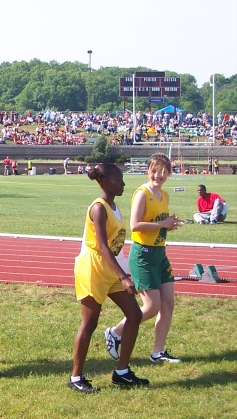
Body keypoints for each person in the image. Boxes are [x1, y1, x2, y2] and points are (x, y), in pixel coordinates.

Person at [69, 163, 147, 393]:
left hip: (111, 269)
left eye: (122, 180)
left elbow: (115, 247)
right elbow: (103, 247)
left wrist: (124, 272)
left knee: (135, 314)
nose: (123, 183)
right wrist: (123, 276)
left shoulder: (114, 206)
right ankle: (75, 378)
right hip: (93, 268)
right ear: (103, 182)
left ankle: (121, 372)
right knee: (90, 323)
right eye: (118, 180)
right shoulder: (98, 207)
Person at [106, 154, 182, 365]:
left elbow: (159, 223)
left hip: (160, 254)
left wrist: (170, 224)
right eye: (155, 170)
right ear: (148, 170)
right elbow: (135, 225)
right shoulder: (142, 193)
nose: (159, 175)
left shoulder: (164, 195)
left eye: (164, 171)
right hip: (143, 255)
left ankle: (158, 352)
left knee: (168, 304)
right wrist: (162, 224)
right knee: (151, 307)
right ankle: (115, 332)